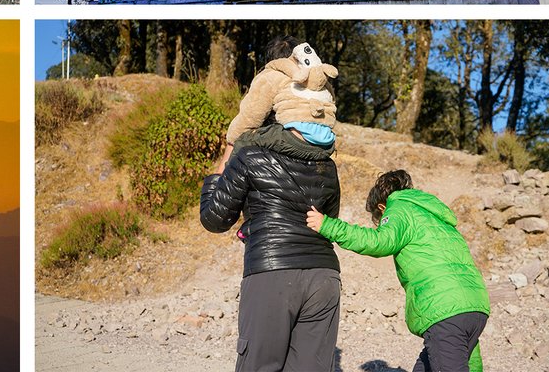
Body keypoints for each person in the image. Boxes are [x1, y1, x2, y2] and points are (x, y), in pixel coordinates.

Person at [306, 170, 491, 372]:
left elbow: (379, 242)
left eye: (378, 219)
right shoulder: (434, 215)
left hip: (443, 309)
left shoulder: (399, 208)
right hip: (474, 306)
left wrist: (328, 225)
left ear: (381, 207)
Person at [200, 120, 342, 372]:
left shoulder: (248, 155)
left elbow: (215, 219)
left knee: (259, 365)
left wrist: (221, 168)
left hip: (272, 271)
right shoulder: (327, 165)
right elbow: (329, 220)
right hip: (324, 275)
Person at [213, 35, 339, 174]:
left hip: (292, 140)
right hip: (325, 143)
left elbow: (249, 117)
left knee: (243, 140)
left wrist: (232, 142)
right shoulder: (317, 80)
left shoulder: (272, 75)